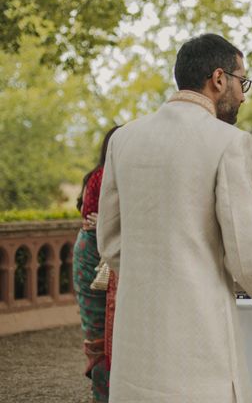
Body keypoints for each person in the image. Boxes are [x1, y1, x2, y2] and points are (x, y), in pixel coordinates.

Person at [97, 33, 252, 403]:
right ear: (219, 78)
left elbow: (109, 240)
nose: (243, 94)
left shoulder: (124, 139)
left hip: (136, 328)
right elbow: (240, 249)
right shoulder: (230, 141)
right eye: (242, 82)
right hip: (198, 331)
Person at [72, 125, 120, 403]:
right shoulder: (104, 177)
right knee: (101, 334)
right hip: (94, 256)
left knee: (109, 331)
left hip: (103, 251)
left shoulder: (108, 174)